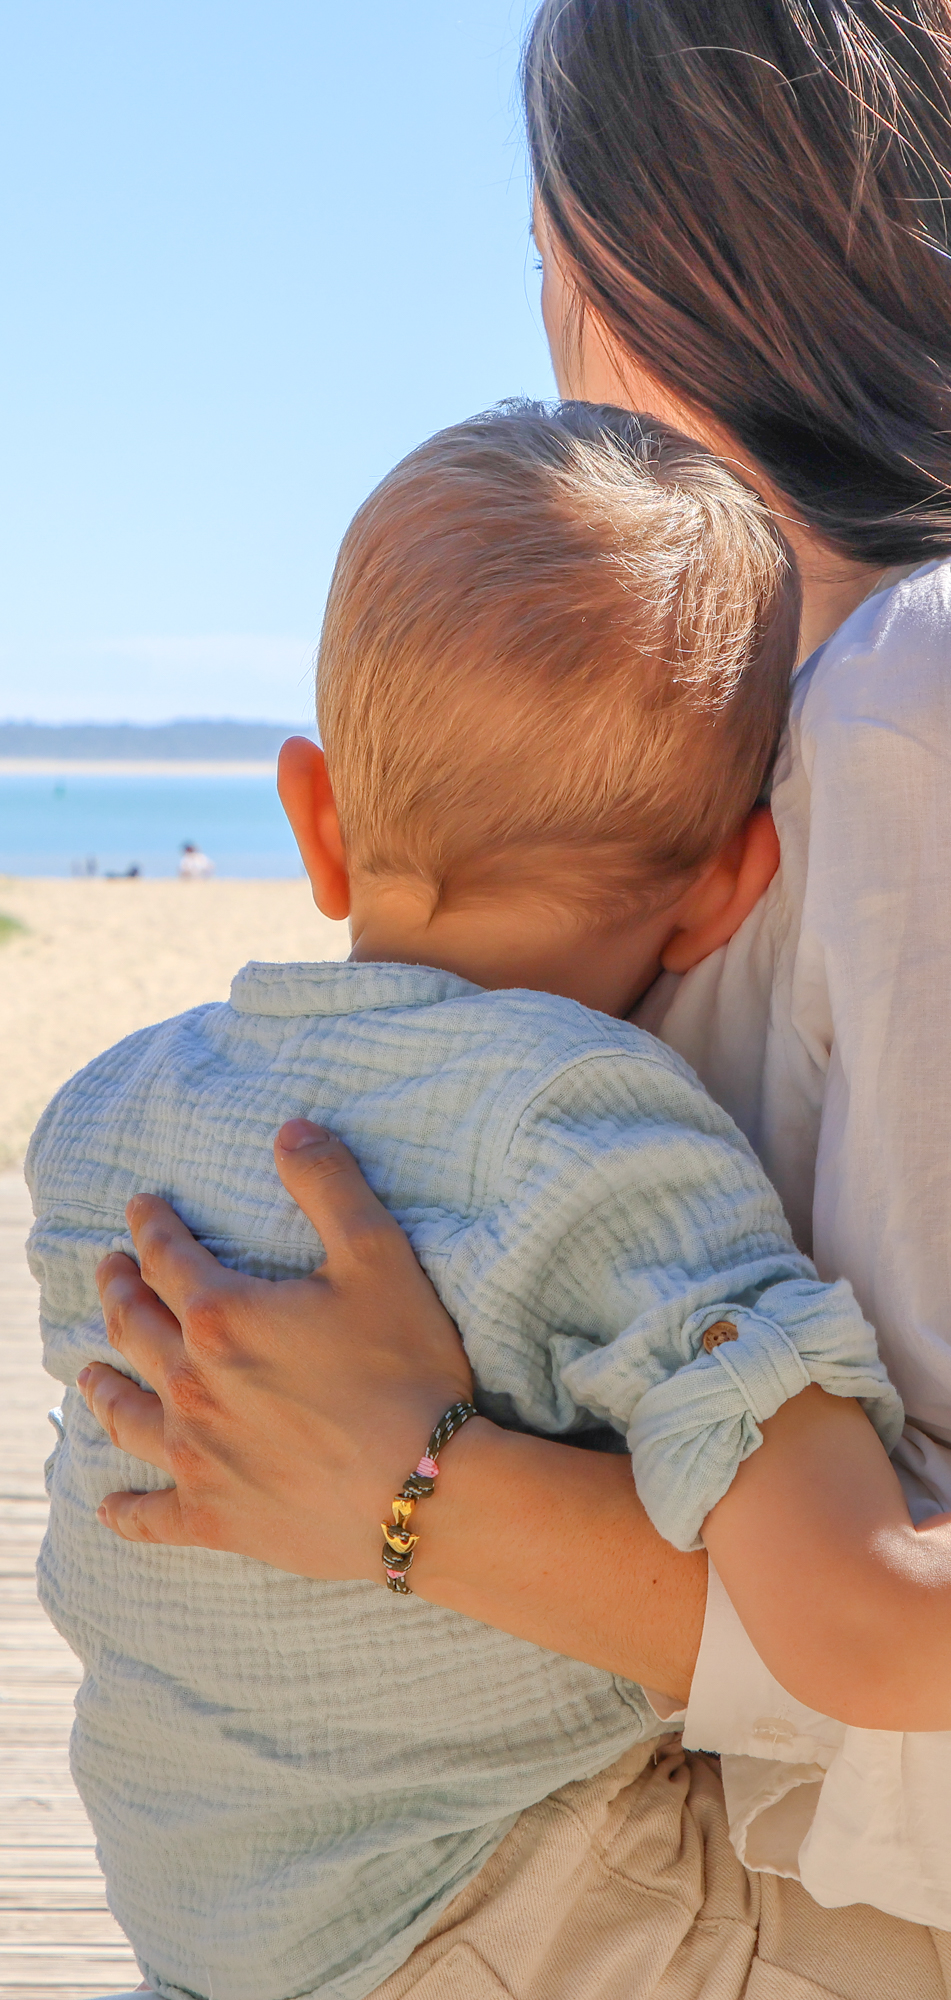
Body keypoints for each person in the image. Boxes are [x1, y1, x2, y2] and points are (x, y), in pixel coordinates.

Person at [69, 4, 951, 1996]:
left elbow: (908, 1704)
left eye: (542, 252)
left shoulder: (904, 704)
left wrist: (418, 1498)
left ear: (637, 261)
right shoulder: (786, 747)